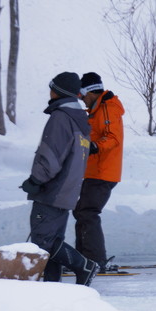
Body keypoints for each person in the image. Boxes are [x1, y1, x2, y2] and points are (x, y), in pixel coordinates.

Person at [21, 72, 99, 285]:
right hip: (67, 190)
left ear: (59, 92)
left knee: (42, 242)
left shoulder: (61, 118)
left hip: (52, 190)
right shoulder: (79, 120)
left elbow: (51, 155)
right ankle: (52, 287)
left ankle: (85, 266)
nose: (49, 91)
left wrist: (36, 180)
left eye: (52, 88)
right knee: (52, 241)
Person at [73, 72, 125, 271]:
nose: (82, 100)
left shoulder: (108, 108)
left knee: (88, 212)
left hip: (103, 172)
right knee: (82, 211)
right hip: (94, 171)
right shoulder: (96, 109)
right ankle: (82, 259)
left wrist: (94, 146)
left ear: (90, 92)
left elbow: (113, 137)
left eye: (82, 95)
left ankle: (94, 260)